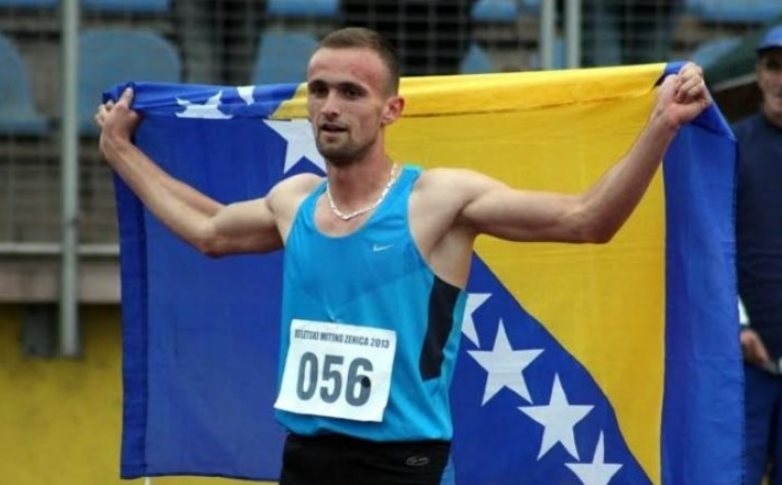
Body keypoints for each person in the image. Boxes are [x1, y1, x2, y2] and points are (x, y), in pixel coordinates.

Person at [94, 27, 710, 485]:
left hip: (404, 466)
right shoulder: (294, 200)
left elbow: (586, 219)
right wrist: (120, 150)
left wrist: (661, 125)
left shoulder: (438, 200)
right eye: (319, 90)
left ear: (392, 110)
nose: (330, 106)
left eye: (351, 92)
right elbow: (207, 229)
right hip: (306, 459)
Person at [733, 24, 782, 485]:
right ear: (759, 74)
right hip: (746, 362)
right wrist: (738, 324)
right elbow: (710, 241)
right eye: (774, 66)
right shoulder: (733, 147)